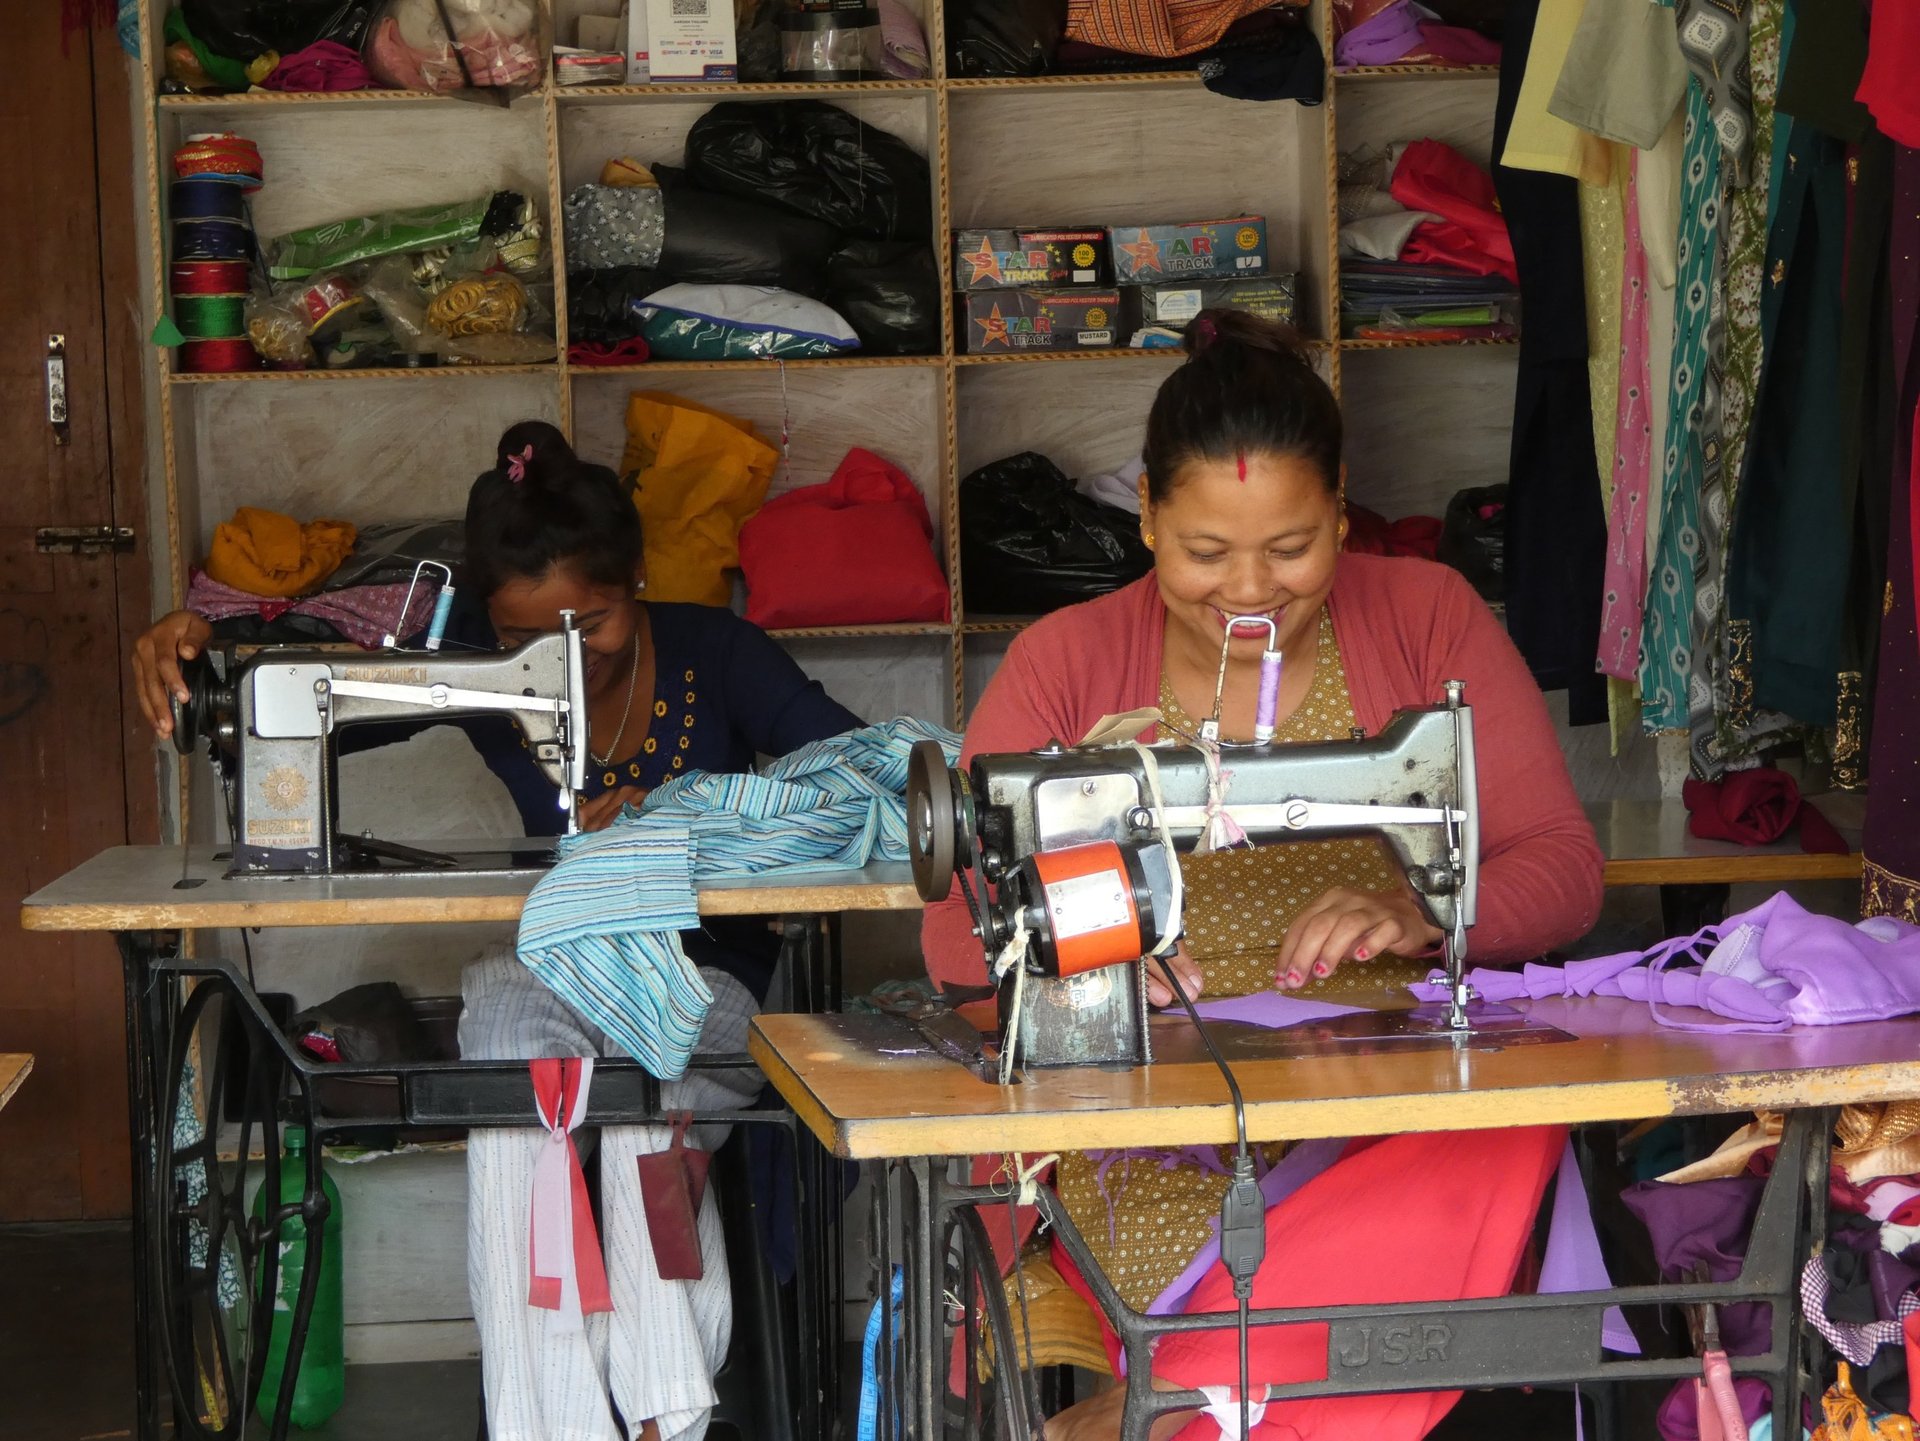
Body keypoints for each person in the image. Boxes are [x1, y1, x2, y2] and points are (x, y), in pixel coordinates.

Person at [920, 311, 1605, 1441]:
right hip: (1150, 1120)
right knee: (1348, 1266)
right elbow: (959, 925)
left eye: (1291, 548)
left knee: (1515, 1126)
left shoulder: (1425, 616)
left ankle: (1172, 1399)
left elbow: (1562, 868)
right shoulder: (1063, 665)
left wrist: (1425, 915)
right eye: (1205, 551)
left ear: (1343, 511)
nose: (1249, 586)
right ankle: (1210, 1390)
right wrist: (1076, 968)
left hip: (1381, 1102)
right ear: (1142, 513)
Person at [134, 421, 864, 1441]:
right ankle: (552, 1425)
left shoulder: (720, 654)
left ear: (639, 577)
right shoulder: (483, 672)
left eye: (593, 624)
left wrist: (695, 806)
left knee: (644, 1109)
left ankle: (660, 1419)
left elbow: (858, 775)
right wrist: (205, 649)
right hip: (565, 983)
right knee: (518, 1088)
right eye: (530, 645)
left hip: (706, 992)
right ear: (493, 630)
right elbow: (305, 688)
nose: (565, 660)